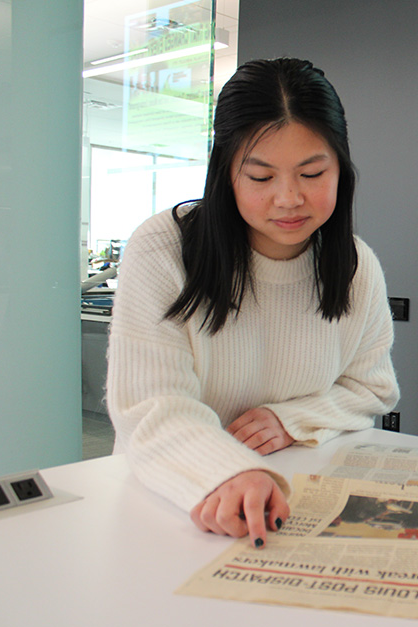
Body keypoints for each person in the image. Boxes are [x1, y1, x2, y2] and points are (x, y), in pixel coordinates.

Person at [107, 58, 400, 548]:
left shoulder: (355, 265)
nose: (288, 199)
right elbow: (151, 405)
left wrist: (292, 420)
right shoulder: (164, 250)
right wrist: (227, 471)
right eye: (261, 177)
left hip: (296, 495)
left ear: (341, 170)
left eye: (311, 173)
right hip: (175, 502)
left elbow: (371, 389)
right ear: (226, 175)